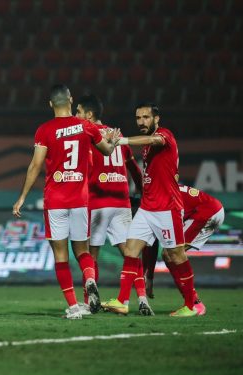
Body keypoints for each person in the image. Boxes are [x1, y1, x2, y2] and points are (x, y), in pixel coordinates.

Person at [13, 85, 119, 319]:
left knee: (60, 256)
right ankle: (90, 279)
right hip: (80, 200)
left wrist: (22, 197)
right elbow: (107, 151)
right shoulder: (87, 126)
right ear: (70, 100)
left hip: (56, 200)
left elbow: (35, 166)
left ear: (50, 104)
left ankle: (73, 306)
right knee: (82, 251)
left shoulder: (44, 130)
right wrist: (112, 141)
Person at [102, 103, 199, 317]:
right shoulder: (146, 147)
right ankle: (122, 301)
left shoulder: (164, 136)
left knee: (176, 255)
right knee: (131, 251)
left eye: (146, 117)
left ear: (157, 119)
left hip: (168, 208)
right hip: (147, 208)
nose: (141, 122)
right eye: (138, 118)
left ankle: (192, 305)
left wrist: (122, 140)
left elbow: (153, 139)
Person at [75, 95, 152, 316]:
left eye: (78, 112)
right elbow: (134, 170)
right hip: (122, 201)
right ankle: (142, 299)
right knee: (131, 254)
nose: (76, 116)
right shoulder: (118, 135)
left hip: (98, 202)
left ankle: (89, 302)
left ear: (89, 115)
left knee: (91, 254)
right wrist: (141, 191)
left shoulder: (88, 135)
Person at [143, 184, 224, 315]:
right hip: (209, 209)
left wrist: (149, 276)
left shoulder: (153, 198)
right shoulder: (161, 188)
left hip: (207, 212)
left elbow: (151, 241)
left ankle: (194, 304)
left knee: (172, 253)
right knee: (168, 254)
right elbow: (153, 239)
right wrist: (150, 276)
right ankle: (193, 303)